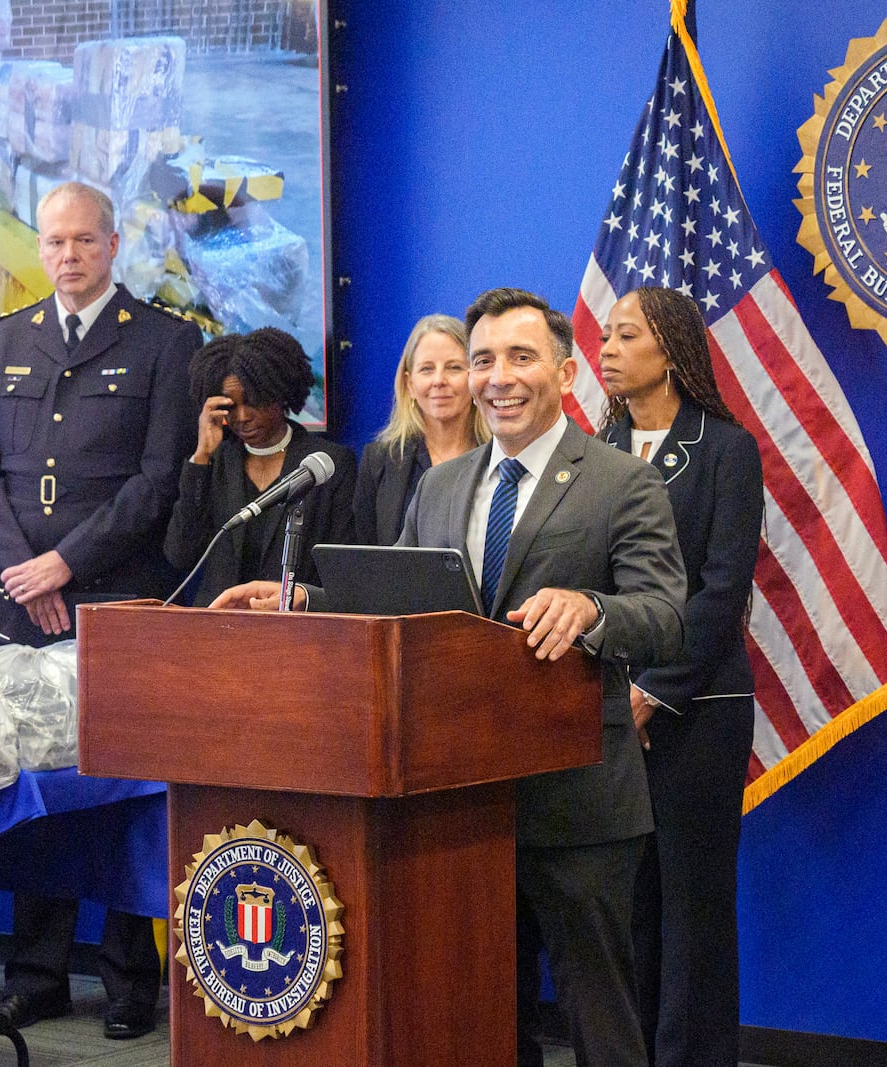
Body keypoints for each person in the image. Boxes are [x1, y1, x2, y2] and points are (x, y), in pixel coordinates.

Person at [213, 287, 686, 1067]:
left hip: (577, 800)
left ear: (565, 374)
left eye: (521, 357)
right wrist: (301, 599)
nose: (499, 376)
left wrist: (590, 608)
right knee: (476, 1006)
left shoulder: (619, 480)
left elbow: (666, 612)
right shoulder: (441, 483)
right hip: (458, 797)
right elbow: (398, 600)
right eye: (484, 360)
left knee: (598, 1007)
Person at [0, 181, 200, 1039]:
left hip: (118, 598)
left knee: (124, 789)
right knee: (37, 787)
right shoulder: (3, 340)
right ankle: (37, 974)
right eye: (54, 242)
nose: (67, 256)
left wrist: (68, 561)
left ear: (112, 245)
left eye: (84, 242)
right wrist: (27, 567)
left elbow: (159, 477)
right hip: (24, 605)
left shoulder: (169, 341)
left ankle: (131, 977)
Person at [597, 286, 763, 1067]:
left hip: (700, 708)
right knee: (629, 902)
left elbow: (723, 587)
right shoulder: (589, 455)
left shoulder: (726, 449)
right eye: (605, 335)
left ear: (670, 349)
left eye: (626, 335)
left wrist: (654, 689)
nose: (607, 348)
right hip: (602, 709)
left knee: (693, 908)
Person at [164, 328, 356, 605]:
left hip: (297, 629)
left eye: (254, 402)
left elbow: (342, 569)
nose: (242, 417)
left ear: (280, 393)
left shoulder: (327, 463)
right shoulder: (215, 462)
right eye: (231, 406)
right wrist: (202, 456)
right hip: (219, 624)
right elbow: (179, 554)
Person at [352, 314, 487, 546]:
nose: (438, 380)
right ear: (409, 384)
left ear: (474, 377)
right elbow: (364, 558)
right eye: (426, 369)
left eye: (454, 367)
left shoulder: (502, 456)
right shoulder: (379, 460)